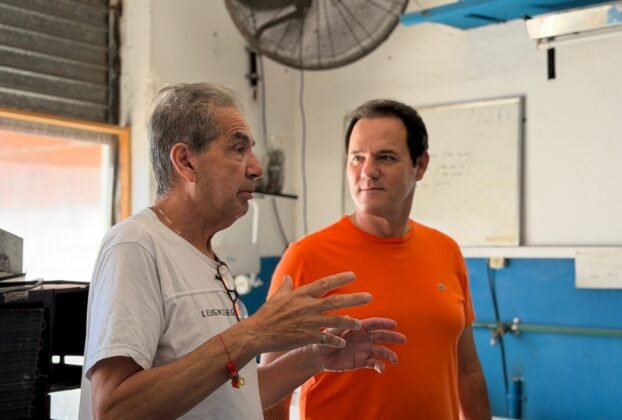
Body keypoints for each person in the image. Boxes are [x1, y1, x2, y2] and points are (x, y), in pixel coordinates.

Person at [78, 83, 407, 419]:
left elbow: (235, 396)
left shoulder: (205, 256)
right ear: (186, 161)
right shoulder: (136, 244)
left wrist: (316, 357)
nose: (257, 168)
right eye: (238, 149)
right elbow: (113, 409)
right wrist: (251, 334)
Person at [262, 99, 491, 419]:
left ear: (420, 166)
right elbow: (272, 392)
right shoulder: (305, 258)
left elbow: (467, 370)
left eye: (386, 157)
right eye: (357, 158)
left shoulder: (446, 250)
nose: (368, 171)